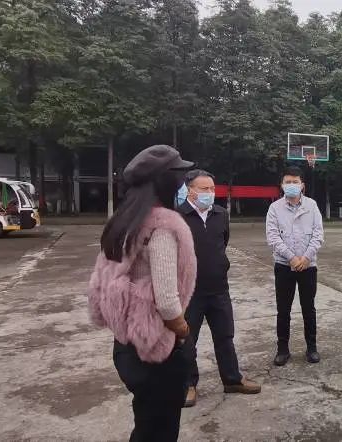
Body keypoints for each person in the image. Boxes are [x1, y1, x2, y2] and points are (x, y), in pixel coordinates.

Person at [88, 145, 196, 441]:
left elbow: (99, 280)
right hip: (156, 350)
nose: (183, 185)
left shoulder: (123, 222)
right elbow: (167, 300)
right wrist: (183, 331)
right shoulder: (163, 227)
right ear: (166, 180)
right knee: (162, 428)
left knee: (146, 420)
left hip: (125, 345)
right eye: (180, 177)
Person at [177, 169, 261, 408]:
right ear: (190, 191)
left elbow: (223, 243)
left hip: (219, 289)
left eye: (212, 189)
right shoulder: (177, 217)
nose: (210, 193)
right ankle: (188, 384)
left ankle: (232, 379)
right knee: (187, 340)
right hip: (190, 291)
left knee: (225, 336)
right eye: (204, 189)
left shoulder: (221, 214)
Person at [266, 166, 325, 366]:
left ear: (302, 185)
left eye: (295, 182)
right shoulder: (275, 208)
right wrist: (291, 258)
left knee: (309, 309)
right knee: (283, 309)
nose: (291, 185)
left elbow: (318, 234)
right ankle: (282, 349)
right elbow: (273, 237)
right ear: (282, 185)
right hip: (284, 266)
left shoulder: (312, 205)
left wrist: (306, 258)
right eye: (288, 182)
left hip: (308, 266)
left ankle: (312, 348)